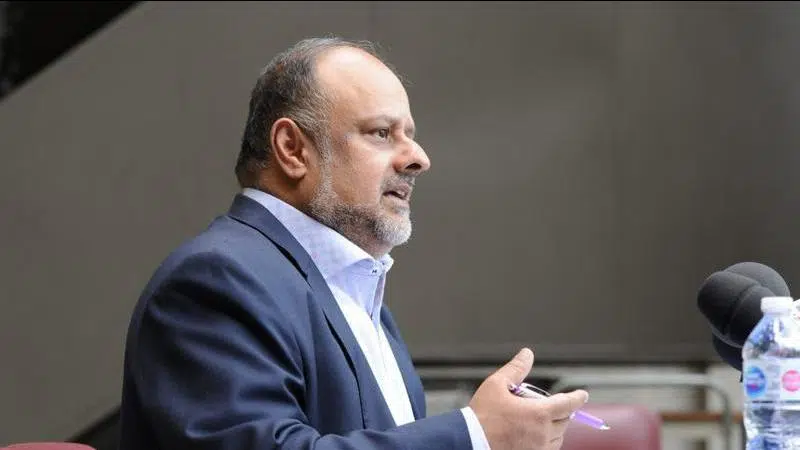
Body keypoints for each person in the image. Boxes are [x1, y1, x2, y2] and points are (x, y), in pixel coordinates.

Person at [118, 36, 589, 450]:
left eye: (410, 136)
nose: (418, 158)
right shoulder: (216, 280)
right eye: (382, 133)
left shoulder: (357, 292)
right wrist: (471, 437)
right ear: (293, 149)